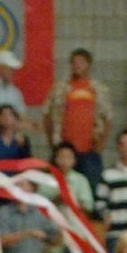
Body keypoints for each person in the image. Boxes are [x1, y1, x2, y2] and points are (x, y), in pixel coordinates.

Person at [44, 48, 111, 188]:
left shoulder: (99, 89)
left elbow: (107, 118)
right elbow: (47, 114)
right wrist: (53, 143)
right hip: (64, 151)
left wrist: (100, 146)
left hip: (90, 151)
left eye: (81, 62)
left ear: (89, 64)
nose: (77, 65)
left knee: (91, 189)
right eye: (74, 62)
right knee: (59, 189)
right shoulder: (59, 88)